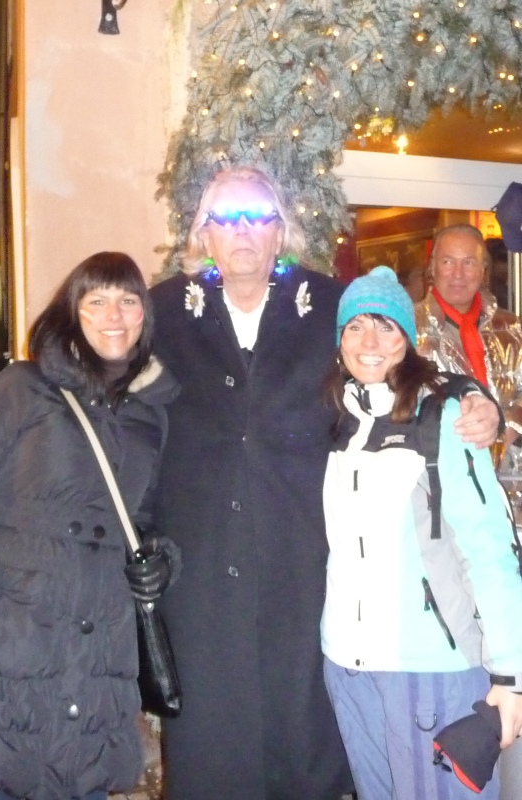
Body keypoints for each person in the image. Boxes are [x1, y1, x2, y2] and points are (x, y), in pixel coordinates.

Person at [149, 166, 500, 800]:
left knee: (305, 749)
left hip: (307, 574)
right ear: (203, 234)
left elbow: (395, 355)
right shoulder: (164, 311)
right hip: (202, 581)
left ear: (280, 230)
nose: (243, 231)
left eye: (259, 216)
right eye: (226, 218)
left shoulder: (325, 304)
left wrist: (473, 394)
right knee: (212, 751)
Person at [0, 251, 180, 800]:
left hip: (94, 663)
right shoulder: (18, 390)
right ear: (71, 311)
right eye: (97, 300)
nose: (114, 315)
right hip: (5, 652)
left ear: (145, 315)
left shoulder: (151, 415)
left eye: (128, 300)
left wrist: (162, 561)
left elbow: (149, 521)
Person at [321, 266, 522, 800]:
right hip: (349, 668)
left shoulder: (444, 418)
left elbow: (490, 548)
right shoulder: (337, 422)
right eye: (355, 326)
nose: (369, 342)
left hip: (431, 668)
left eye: (385, 326)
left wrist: (511, 674)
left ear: (407, 340)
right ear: (339, 340)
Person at [416, 223, 522, 460]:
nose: (458, 274)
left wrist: (510, 427)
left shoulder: (512, 328)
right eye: (448, 262)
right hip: (438, 468)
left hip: (509, 469)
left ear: (483, 270)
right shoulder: (407, 328)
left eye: (469, 263)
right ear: (432, 267)